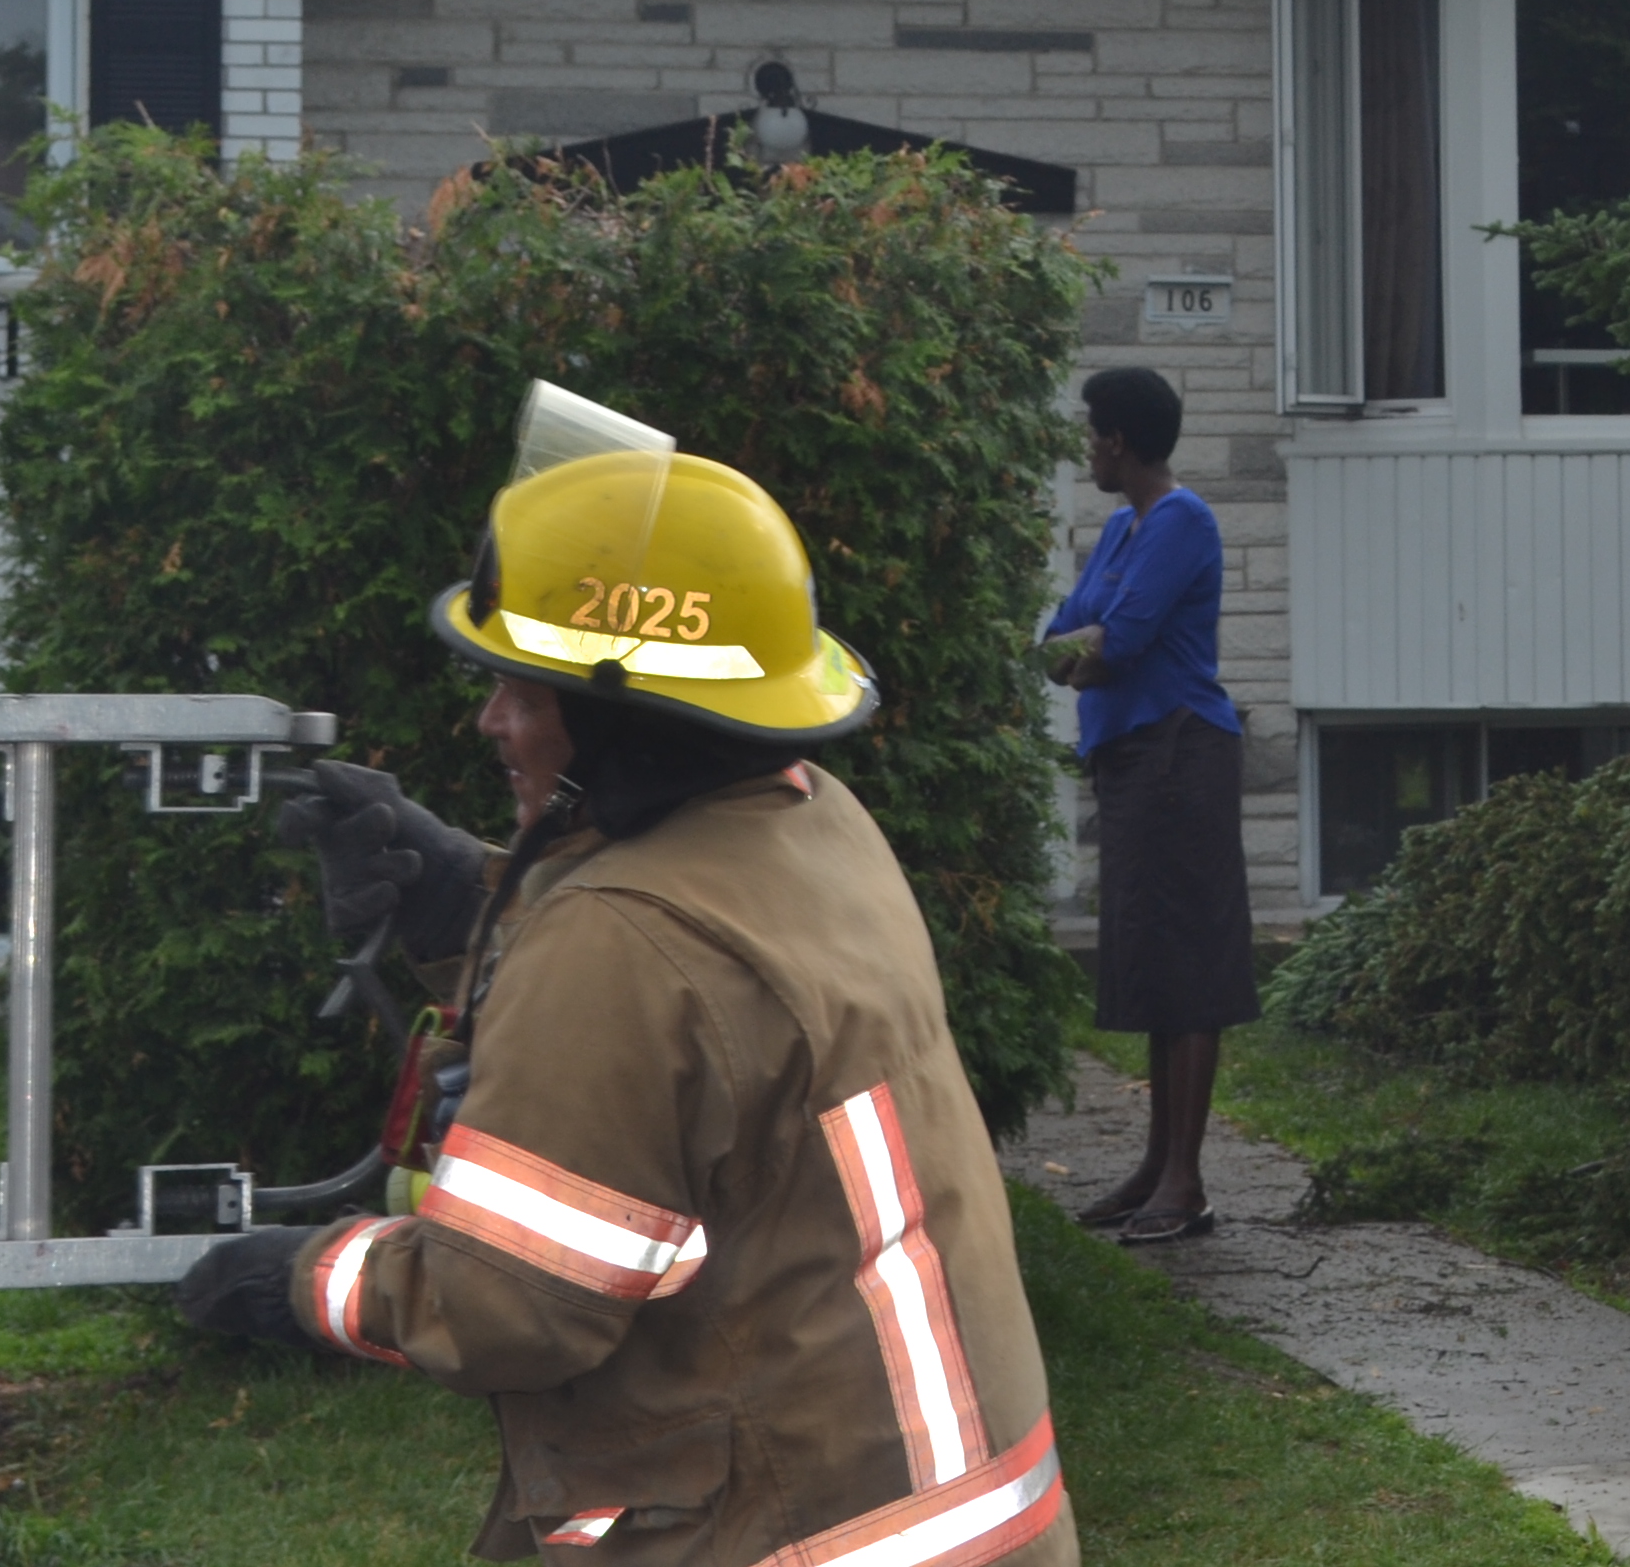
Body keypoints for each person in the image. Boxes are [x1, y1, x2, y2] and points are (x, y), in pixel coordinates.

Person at [176, 381, 1078, 1567]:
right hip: (944, 1513)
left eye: (523, 691)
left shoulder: (622, 944)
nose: (491, 722)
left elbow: (505, 1304)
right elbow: (692, 1019)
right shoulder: (809, 820)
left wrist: (304, 1281)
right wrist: (463, 901)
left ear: (627, 721)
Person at [1044, 364, 1253, 1242]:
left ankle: (1185, 1182)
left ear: (1118, 440)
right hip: (1133, 760)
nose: (1086, 446)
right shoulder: (1121, 529)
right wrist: (1081, 650)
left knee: (1188, 965)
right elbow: (1061, 634)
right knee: (1151, 964)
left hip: (1179, 755)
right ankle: (1157, 1163)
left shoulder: (1181, 520)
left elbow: (1117, 642)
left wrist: (1085, 651)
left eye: (1091, 430)